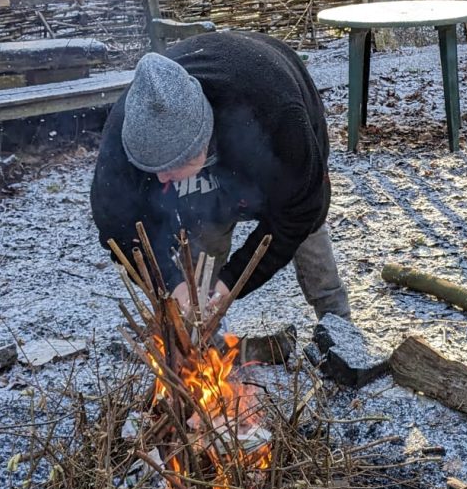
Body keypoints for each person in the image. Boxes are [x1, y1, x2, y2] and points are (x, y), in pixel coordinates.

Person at [91, 30, 351, 321]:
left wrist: (234, 281)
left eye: (170, 167)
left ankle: (338, 323)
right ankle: (200, 331)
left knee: (310, 238)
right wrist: (172, 283)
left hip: (274, 91)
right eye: (153, 168)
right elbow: (118, 230)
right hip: (224, 123)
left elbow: (299, 212)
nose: (161, 179)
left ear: (200, 145)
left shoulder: (278, 120)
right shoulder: (125, 136)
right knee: (204, 240)